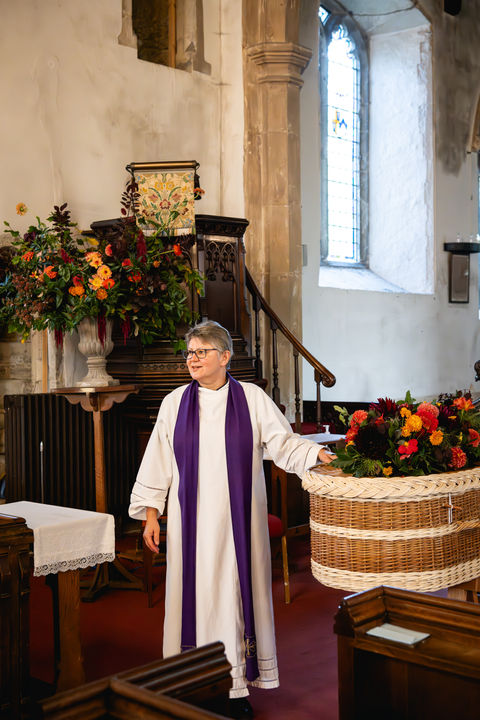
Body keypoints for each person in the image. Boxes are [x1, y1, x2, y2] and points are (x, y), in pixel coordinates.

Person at [129, 320, 334, 719]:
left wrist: (314, 454)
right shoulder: (175, 403)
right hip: (191, 524)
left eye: (201, 352)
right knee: (194, 600)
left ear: (225, 357)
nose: (192, 359)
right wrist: (151, 514)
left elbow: (282, 443)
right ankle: (190, 683)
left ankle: (236, 689)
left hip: (240, 524)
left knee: (236, 599)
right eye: (189, 352)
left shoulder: (252, 399)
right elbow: (158, 460)